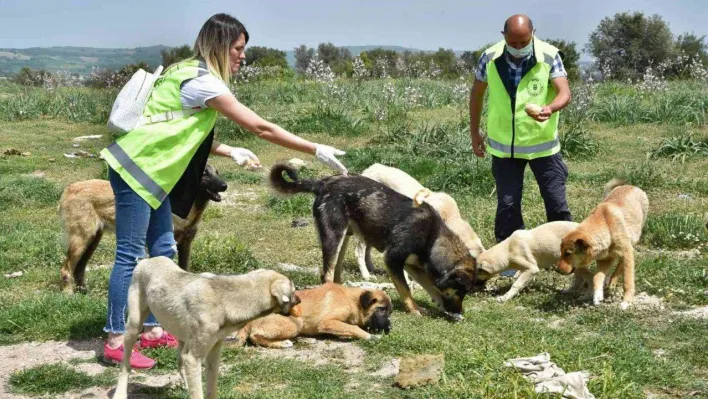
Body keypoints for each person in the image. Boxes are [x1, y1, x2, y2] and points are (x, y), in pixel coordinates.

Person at [99, 13, 348, 368]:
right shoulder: (203, 82)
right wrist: (315, 149)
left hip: (154, 173)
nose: (242, 56)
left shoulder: (185, 69)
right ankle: (115, 338)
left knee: (163, 248)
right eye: (238, 48)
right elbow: (260, 127)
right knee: (130, 254)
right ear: (220, 46)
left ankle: (154, 328)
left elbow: (176, 125)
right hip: (137, 170)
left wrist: (229, 150)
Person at [469, 14, 572, 276]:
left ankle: (568, 255)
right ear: (503, 36)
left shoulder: (549, 55)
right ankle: (509, 261)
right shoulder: (489, 57)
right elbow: (477, 94)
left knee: (556, 203)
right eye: (512, 42)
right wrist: (474, 132)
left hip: (544, 147)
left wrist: (549, 108)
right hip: (504, 149)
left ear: (533, 34)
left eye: (523, 41)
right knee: (507, 205)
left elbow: (564, 92)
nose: (518, 47)